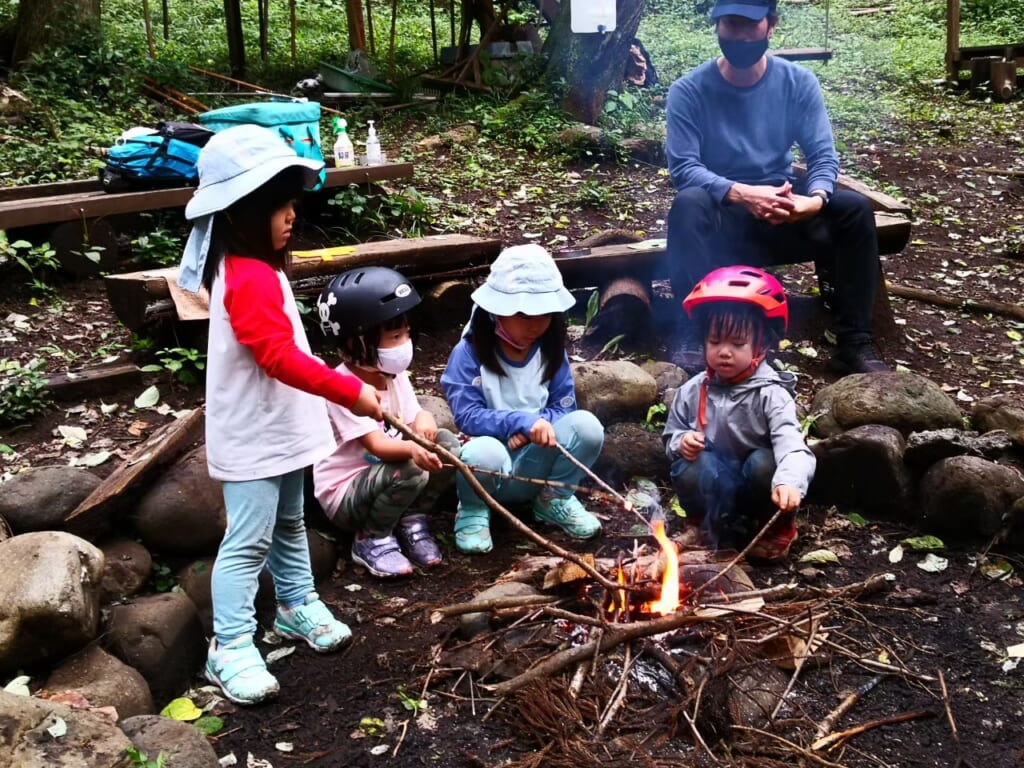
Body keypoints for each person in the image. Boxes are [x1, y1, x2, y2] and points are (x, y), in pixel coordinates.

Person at [176, 124, 383, 706]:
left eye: (291, 203)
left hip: (281, 427)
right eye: (278, 206)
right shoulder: (245, 276)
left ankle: (296, 605)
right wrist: (346, 389)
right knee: (246, 539)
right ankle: (231, 643)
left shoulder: (258, 268)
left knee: (291, 522)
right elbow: (276, 356)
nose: (291, 216)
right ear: (242, 211)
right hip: (254, 433)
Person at [664, 0, 890, 376]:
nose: (736, 35)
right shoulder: (689, 90)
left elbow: (823, 157)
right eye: (728, 25)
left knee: (853, 209)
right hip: (723, 216)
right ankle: (694, 330)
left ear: (771, 26)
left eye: (747, 26)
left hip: (785, 213)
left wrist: (814, 201)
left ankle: (855, 341)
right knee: (688, 204)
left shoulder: (797, 83)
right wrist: (740, 193)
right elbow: (684, 168)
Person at [441, 244, 604, 554]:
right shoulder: (469, 352)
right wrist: (520, 422)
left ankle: (554, 498)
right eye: (524, 314)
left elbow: (563, 405)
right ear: (497, 310)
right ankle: (474, 510)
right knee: (482, 451)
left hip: (536, 461)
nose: (535, 324)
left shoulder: (550, 350)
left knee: (588, 427)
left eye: (545, 315)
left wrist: (537, 428)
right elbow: (467, 415)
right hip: (490, 467)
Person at [313, 266, 461, 578]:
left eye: (406, 333)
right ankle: (372, 538)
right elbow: (378, 446)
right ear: (357, 341)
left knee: (447, 444)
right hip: (347, 494)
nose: (405, 343)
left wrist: (425, 419)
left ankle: (410, 519)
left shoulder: (391, 376)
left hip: (386, 481)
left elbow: (413, 415)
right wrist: (411, 448)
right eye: (394, 336)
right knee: (409, 466)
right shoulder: (344, 388)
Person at [663, 265, 815, 563]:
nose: (724, 352)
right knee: (692, 464)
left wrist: (789, 482)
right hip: (717, 483)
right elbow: (671, 435)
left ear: (762, 345)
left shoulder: (771, 393)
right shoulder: (693, 390)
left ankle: (778, 526)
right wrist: (680, 441)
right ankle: (704, 524)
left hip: (760, 488)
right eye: (715, 341)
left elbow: (793, 447)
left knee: (763, 462)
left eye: (737, 343)